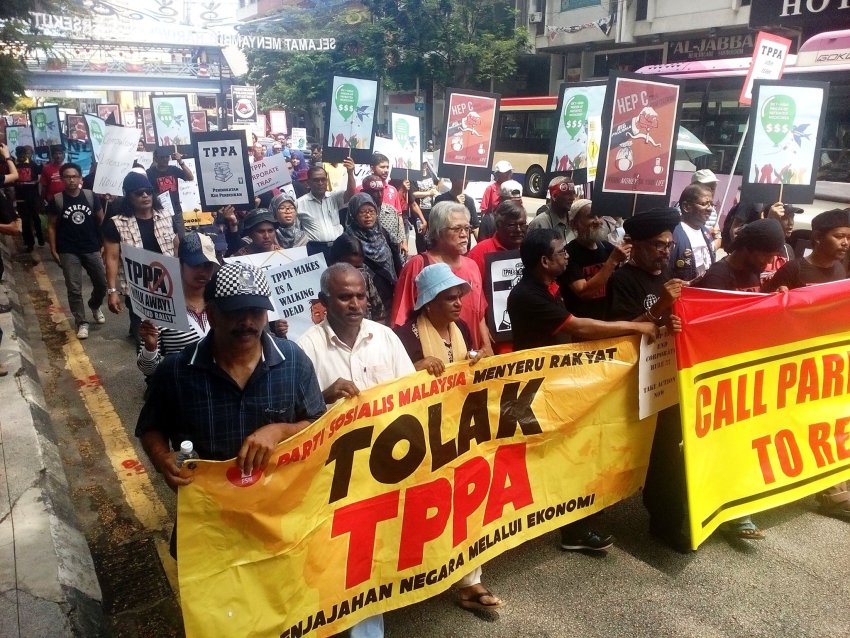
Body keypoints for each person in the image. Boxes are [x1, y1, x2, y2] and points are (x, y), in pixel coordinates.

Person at [136, 262, 326, 558]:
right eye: (235, 312)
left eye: (256, 312)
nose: (247, 322)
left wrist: (279, 430)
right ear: (211, 314)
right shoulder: (176, 371)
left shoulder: (294, 361)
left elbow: (319, 424)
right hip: (209, 524)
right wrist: (163, 459)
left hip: (280, 520)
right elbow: (150, 427)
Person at [507, 228, 656, 551]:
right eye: (561, 252)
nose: (568, 255)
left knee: (566, 455)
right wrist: (636, 325)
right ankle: (571, 529)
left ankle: (573, 525)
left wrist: (649, 317)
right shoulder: (528, 295)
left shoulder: (550, 288)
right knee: (562, 456)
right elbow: (579, 326)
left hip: (559, 383)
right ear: (545, 261)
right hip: (541, 390)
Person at [297, 263, 416, 638]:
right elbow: (296, 419)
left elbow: (413, 397)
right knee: (347, 556)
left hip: (387, 465)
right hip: (337, 474)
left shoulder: (385, 338)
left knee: (378, 549)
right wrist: (325, 396)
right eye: (344, 296)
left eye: (360, 295)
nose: (354, 303)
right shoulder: (305, 348)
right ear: (324, 302)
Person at [392, 263, 504, 612]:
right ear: (428, 303)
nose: (458, 303)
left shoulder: (463, 330)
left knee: (466, 503)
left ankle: (470, 581)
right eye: (448, 297)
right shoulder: (403, 336)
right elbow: (386, 386)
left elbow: (467, 369)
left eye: (459, 296)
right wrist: (414, 369)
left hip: (459, 432)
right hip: (417, 437)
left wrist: (477, 360)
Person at [605, 209, 689, 551]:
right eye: (657, 244)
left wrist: (677, 322)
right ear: (636, 246)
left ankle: (666, 523)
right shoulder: (622, 280)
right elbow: (623, 334)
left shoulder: (667, 275)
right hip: (632, 383)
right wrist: (662, 308)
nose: (665, 251)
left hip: (666, 379)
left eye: (668, 245)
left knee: (669, 453)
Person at [763, 208, 850, 521]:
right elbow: (761, 311)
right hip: (792, 364)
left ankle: (833, 491)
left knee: (828, 421)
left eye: (848, 237)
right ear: (817, 237)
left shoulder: (842, 268)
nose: (845, 243)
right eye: (839, 236)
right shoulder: (793, 270)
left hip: (826, 364)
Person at [390, 201, 491, 353]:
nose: (464, 234)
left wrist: (486, 346)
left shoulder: (472, 266)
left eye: (466, 228)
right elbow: (400, 318)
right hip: (431, 360)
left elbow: (479, 313)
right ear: (438, 232)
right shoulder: (418, 265)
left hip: (468, 357)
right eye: (457, 228)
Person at [103, 171, 179, 342]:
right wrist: (112, 291)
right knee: (146, 338)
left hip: (167, 284)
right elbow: (112, 258)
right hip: (138, 288)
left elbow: (176, 245)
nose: (145, 195)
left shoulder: (165, 216)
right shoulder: (116, 224)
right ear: (128, 196)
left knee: (170, 333)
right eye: (139, 193)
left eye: (148, 191)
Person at [137, 232, 219, 376]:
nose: (202, 271)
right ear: (180, 263)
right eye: (195, 264)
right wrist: (151, 347)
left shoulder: (221, 299)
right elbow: (148, 370)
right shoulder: (159, 306)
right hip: (182, 392)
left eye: (208, 265)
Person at [46, 162, 107, 341]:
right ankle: (81, 322)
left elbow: (101, 219)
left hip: (91, 246)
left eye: (74, 176)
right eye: (67, 177)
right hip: (68, 249)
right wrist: (53, 249)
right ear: (62, 179)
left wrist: (103, 243)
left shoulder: (90, 196)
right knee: (74, 289)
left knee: (101, 283)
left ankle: (94, 305)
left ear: (80, 178)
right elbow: (51, 226)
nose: (71, 180)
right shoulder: (57, 200)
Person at [560, 199, 630, 321]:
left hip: (609, 321)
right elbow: (583, 292)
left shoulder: (608, 248)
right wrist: (612, 261)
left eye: (600, 216)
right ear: (574, 224)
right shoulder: (568, 254)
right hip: (583, 327)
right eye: (591, 216)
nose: (597, 221)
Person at [344, 192, 402, 314]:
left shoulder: (383, 233)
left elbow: (396, 259)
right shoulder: (347, 240)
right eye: (362, 212)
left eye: (371, 211)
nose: (368, 215)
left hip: (389, 287)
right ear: (353, 214)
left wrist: (400, 282)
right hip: (365, 291)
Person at [698, 218, 786, 294]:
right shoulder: (717, 276)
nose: (770, 261)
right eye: (766, 255)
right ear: (747, 248)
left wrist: (774, 296)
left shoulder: (753, 268)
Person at [296, 158, 356, 260]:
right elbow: (296, 231)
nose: (320, 183)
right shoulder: (299, 203)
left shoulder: (334, 197)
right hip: (314, 250)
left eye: (323, 179)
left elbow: (350, 193)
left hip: (338, 247)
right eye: (316, 180)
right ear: (308, 183)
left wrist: (350, 173)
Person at [329, 234, 386, 322]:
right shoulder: (327, 283)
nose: (355, 273)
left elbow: (379, 313)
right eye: (349, 268)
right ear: (336, 262)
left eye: (359, 267)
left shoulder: (364, 277)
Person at [467, 200, 527, 279]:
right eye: (512, 225)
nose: (518, 230)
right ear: (499, 225)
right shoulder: (479, 253)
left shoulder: (531, 251)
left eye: (522, 224)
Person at [669, 183, 716, 282]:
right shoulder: (674, 235)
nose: (710, 209)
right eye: (704, 204)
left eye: (711, 204)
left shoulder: (706, 232)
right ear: (686, 207)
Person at [146, 146, 194, 237]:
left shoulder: (173, 169)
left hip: (176, 211)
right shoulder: (149, 173)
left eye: (167, 157)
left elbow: (190, 177)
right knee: (165, 239)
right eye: (162, 157)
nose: (165, 159)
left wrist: (181, 162)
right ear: (156, 158)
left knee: (181, 239)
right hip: (160, 212)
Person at [361, 174, 407, 257]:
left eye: (381, 190)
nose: (379, 195)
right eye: (374, 191)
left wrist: (403, 241)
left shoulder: (391, 211)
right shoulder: (358, 214)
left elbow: (398, 240)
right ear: (364, 192)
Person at [528, 178, 576, 244]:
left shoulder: (576, 220)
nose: (573, 198)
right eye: (568, 194)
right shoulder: (539, 224)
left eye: (573, 193)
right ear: (554, 196)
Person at [13, 145, 44, 251]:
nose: (21, 157)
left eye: (23, 154)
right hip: (20, 199)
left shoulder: (32, 164)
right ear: (17, 155)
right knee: (25, 222)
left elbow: (39, 177)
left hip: (33, 198)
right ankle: (29, 243)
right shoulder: (13, 165)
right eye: (19, 155)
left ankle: (40, 238)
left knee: (36, 218)